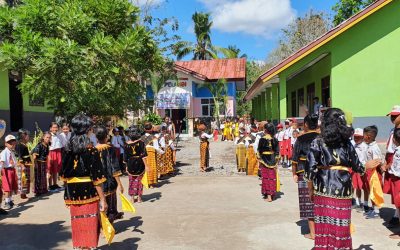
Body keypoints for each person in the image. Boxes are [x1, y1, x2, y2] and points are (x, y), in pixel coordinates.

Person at [306, 108, 380, 250]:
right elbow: (357, 166)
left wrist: (310, 190)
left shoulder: (318, 141)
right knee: (341, 227)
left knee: (324, 226)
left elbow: (311, 169)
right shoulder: (346, 143)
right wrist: (367, 166)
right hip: (343, 191)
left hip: (322, 190)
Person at [60, 114, 107, 250]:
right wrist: (103, 199)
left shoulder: (67, 150)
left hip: (74, 195)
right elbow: (97, 179)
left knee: (78, 225)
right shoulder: (91, 151)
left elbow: (64, 176)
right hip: (90, 194)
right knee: (90, 226)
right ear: (87, 130)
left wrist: (67, 197)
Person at [291, 114, 319, 240]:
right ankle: (321, 231)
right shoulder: (322, 138)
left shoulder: (301, 139)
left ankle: (313, 233)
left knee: (308, 202)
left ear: (306, 125)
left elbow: (295, 159)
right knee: (320, 201)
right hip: (321, 174)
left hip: (304, 172)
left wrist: (294, 173)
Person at [95, 126, 124, 223]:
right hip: (109, 182)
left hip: (97, 183)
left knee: (100, 204)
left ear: (96, 137)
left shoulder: (92, 150)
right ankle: (109, 225)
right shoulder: (109, 149)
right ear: (106, 137)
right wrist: (119, 183)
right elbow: (114, 167)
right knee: (110, 204)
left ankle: (101, 228)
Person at [383, 105, 400, 227]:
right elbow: (390, 148)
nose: (392, 118)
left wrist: (389, 164)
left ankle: (396, 216)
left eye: (395, 116)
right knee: (393, 190)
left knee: (398, 190)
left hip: (396, 162)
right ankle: (396, 214)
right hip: (390, 160)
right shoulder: (392, 130)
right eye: (391, 116)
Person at [363, 125, 385, 219]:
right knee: (370, 190)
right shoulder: (369, 146)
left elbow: (377, 161)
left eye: (364, 135)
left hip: (374, 173)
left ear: (368, 136)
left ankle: (376, 211)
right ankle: (373, 208)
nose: (363, 137)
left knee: (374, 190)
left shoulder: (374, 148)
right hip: (370, 172)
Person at [124, 126, 148, 203]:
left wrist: (126, 166)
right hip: (139, 163)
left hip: (130, 163)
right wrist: (147, 166)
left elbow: (125, 157)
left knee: (131, 180)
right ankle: (139, 198)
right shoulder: (141, 143)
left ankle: (132, 197)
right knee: (140, 180)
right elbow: (143, 155)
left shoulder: (126, 144)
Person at [257, 123, 279, 202]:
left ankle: (268, 196)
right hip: (272, 160)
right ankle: (272, 194)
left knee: (266, 177)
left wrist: (259, 159)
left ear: (265, 130)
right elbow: (277, 152)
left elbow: (259, 150)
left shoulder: (262, 139)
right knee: (272, 177)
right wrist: (276, 161)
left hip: (264, 160)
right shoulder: (275, 139)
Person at [141, 122, 164, 187]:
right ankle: (151, 183)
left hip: (143, 153)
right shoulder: (154, 137)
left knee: (145, 167)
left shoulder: (141, 138)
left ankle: (145, 182)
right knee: (152, 167)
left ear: (145, 129)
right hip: (151, 153)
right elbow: (156, 147)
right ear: (151, 129)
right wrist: (162, 152)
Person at [351, 128, 368, 212]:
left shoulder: (365, 147)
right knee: (356, 186)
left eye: (358, 137)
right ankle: (358, 202)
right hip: (355, 169)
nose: (356, 139)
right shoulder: (353, 145)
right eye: (355, 137)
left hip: (362, 169)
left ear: (363, 137)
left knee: (364, 187)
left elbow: (366, 159)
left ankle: (366, 204)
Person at [0, 135, 18, 210]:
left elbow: (14, 161)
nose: (12, 145)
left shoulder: (12, 152)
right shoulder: (4, 152)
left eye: (13, 143)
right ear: (6, 144)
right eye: (10, 144)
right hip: (6, 171)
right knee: (7, 187)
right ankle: (7, 202)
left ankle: (10, 200)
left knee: (11, 186)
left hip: (12, 170)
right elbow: (2, 162)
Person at [32, 132, 51, 196]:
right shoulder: (39, 145)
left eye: (49, 137)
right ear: (43, 137)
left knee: (43, 176)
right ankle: (37, 191)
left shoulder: (47, 145)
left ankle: (43, 189)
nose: (48, 139)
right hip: (39, 163)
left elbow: (47, 154)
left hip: (43, 163)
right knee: (38, 177)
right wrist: (35, 164)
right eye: (47, 137)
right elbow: (34, 154)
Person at [15, 129, 32, 199]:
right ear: (24, 136)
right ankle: (22, 194)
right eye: (28, 136)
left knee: (26, 179)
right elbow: (19, 157)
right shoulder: (19, 145)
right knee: (23, 179)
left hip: (26, 165)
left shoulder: (23, 144)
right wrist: (22, 166)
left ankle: (24, 194)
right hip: (23, 165)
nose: (29, 137)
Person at [48, 122, 64, 191]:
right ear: (50, 128)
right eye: (54, 127)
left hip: (58, 152)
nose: (55, 129)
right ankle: (50, 185)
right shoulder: (49, 135)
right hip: (51, 152)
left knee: (56, 169)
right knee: (51, 169)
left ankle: (55, 184)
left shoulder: (59, 135)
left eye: (56, 127)